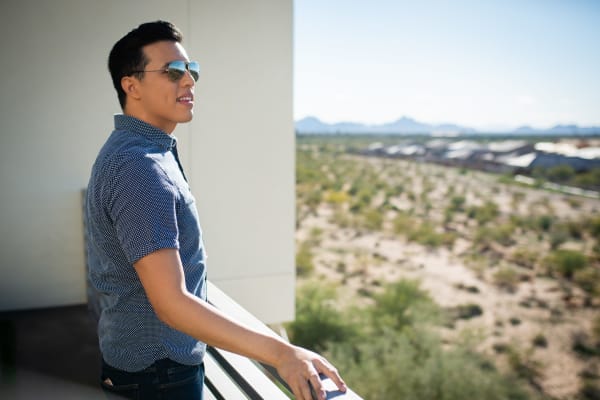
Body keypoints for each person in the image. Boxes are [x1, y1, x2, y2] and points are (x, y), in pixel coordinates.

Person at [85, 20, 346, 400]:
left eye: (193, 71)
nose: (189, 81)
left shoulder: (140, 152)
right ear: (132, 85)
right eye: (173, 71)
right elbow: (172, 304)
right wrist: (282, 354)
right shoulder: (138, 167)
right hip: (159, 377)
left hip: (147, 370)